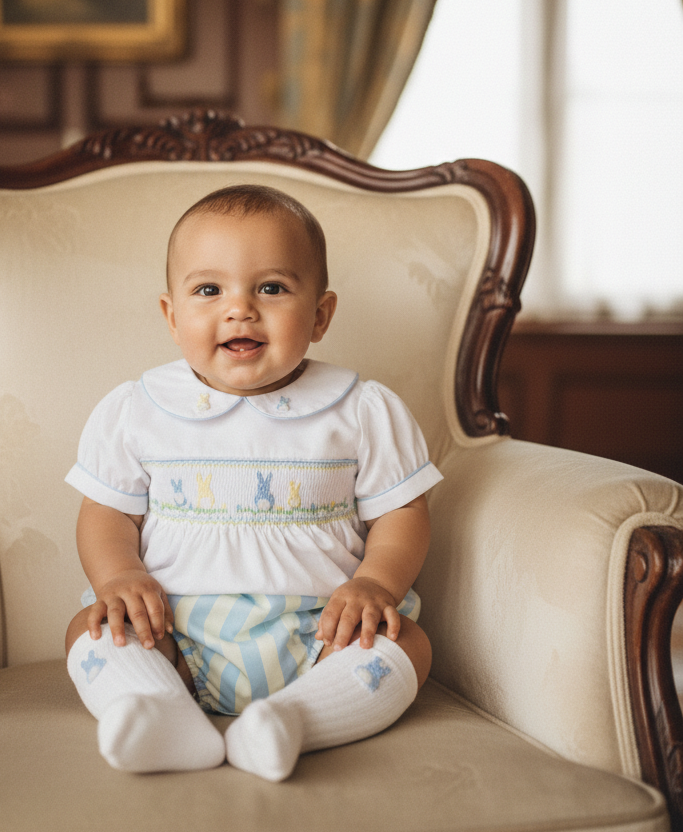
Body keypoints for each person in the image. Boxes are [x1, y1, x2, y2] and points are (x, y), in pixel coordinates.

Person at [64, 184, 442, 782]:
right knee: (91, 633)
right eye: (209, 290)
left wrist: (375, 582)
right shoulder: (136, 409)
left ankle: (296, 720)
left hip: (323, 630)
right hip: (173, 628)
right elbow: (107, 514)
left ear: (320, 315)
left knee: (408, 646)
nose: (239, 308)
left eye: (271, 287)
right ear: (171, 314)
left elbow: (403, 514)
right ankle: (157, 711)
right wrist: (120, 576)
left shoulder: (361, 409)